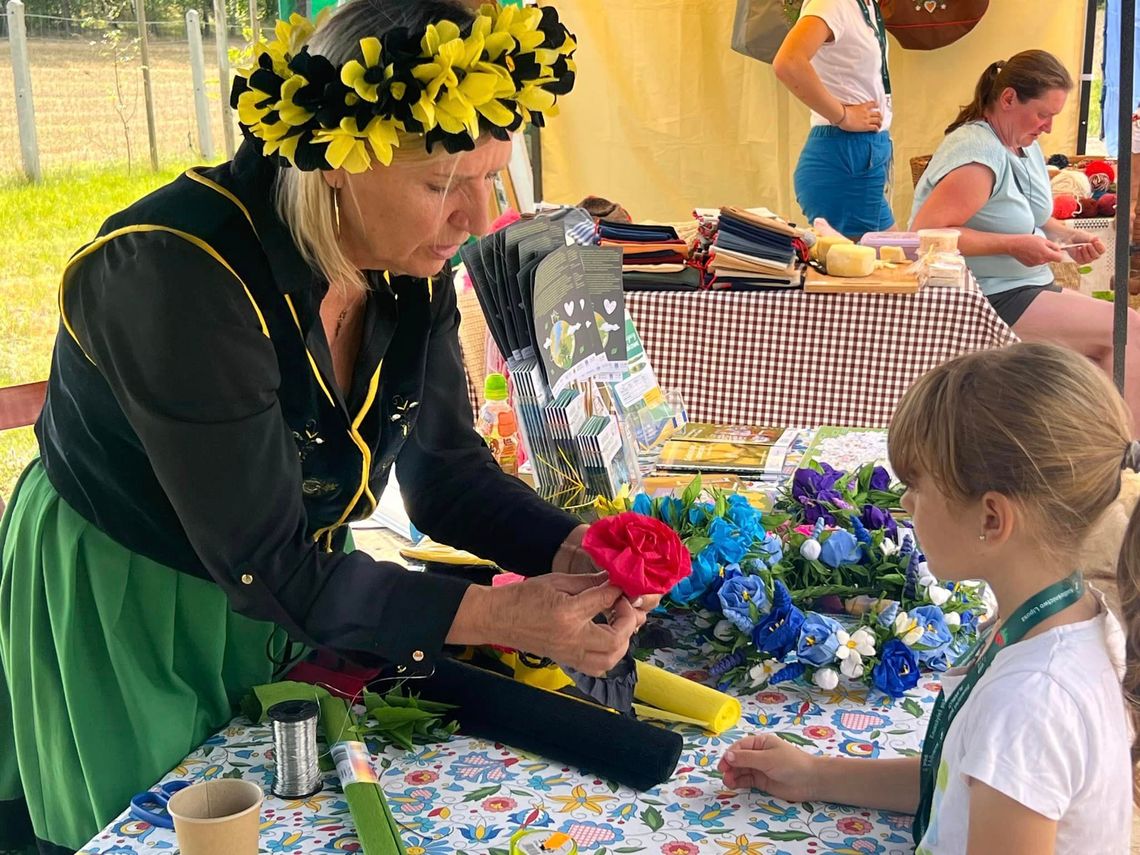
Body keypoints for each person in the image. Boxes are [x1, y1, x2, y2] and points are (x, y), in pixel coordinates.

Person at [0, 3, 651, 852]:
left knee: (289, 812)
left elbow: (445, 469)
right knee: (179, 827)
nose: (479, 219)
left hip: (293, 581)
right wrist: (506, 617)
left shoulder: (399, 266)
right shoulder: (180, 277)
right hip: (134, 589)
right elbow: (266, 560)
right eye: (444, 183)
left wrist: (565, 548)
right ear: (338, 163)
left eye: (493, 177)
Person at [719, 343, 1135, 854]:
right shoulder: (1063, 617)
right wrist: (814, 775)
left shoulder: (1032, 701)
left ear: (991, 519)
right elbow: (961, 780)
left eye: (917, 485)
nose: (905, 502)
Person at [910, 50, 1140, 434]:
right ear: (1008, 99)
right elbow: (927, 232)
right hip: (982, 297)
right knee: (1128, 331)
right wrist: (1013, 245)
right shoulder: (977, 155)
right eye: (1043, 115)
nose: (1048, 127)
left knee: (1123, 333)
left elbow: (1031, 215)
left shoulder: (1022, 143)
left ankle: (1099, 447)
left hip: (1023, 286)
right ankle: (1126, 461)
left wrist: (1065, 235)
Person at [774, 0, 894, 239]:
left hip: (862, 155)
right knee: (869, 270)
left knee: (890, 264)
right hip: (846, 157)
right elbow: (788, 62)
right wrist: (843, 115)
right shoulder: (832, 3)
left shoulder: (863, 6)